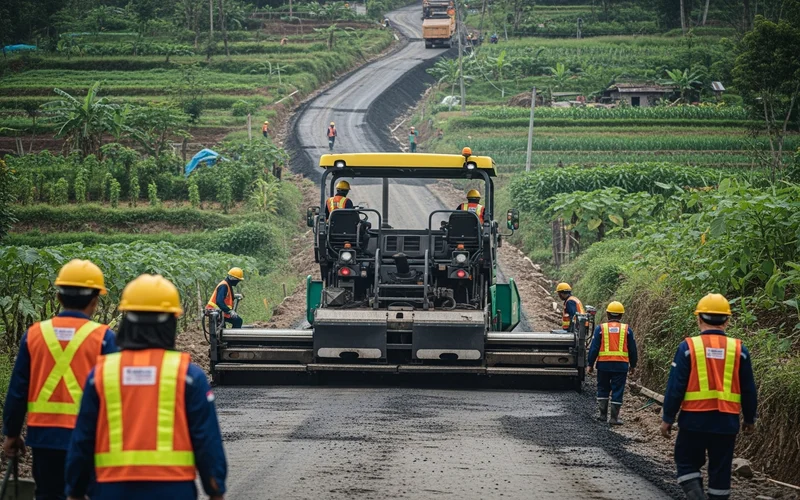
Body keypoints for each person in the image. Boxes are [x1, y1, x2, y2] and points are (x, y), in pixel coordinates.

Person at [65, 274, 227, 500]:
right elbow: (206, 440)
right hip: (173, 490)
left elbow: (83, 439)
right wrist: (215, 488)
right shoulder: (188, 376)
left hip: (112, 489)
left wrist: (75, 490)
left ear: (127, 320)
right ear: (171, 322)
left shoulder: (101, 374)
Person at [3, 259, 118, 500]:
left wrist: (11, 433)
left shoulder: (34, 334)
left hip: (44, 438)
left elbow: (18, 390)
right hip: (89, 438)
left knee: (49, 494)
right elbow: (116, 394)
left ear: (58, 297)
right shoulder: (104, 338)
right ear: (95, 301)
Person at [661, 293, 757, 500]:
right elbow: (749, 389)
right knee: (721, 471)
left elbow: (675, 387)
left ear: (699, 318)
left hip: (694, 420)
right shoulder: (739, 350)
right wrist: (750, 419)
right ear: (727, 320)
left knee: (686, 462)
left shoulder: (688, 348)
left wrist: (668, 417)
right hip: (726, 422)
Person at [587, 301, 638, 425]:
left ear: (608, 314)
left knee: (602, 388)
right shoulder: (627, 330)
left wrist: (590, 364)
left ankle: (602, 416)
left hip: (604, 365)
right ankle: (614, 418)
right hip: (621, 365)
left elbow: (594, 348)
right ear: (621, 315)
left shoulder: (600, 329)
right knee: (618, 390)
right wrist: (633, 365)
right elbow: (633, 349)